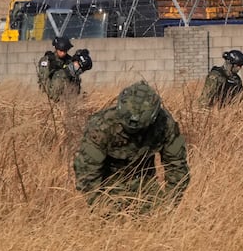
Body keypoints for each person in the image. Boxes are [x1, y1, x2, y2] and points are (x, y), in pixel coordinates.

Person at [72, 81, 188, 213]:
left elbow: (177, 166)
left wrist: (168, 204)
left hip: (145, 184)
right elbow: (86, 172)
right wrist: (101, 207)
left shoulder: (165, 125)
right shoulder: (102, 127)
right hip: (108, 186)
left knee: (160, 221)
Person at [37, 34, 91, 103]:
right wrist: (49, 96)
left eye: (65, 51)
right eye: (61, 51)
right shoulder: (48, 60)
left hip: (65, 93)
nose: (63, 53)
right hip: (50, 89)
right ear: (56, 49)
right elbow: (44, 79)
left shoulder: (68, 59)